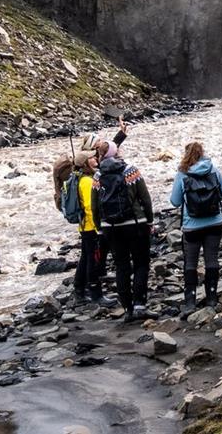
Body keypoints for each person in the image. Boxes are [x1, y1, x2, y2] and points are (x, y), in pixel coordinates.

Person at [51, 119, 128, 307]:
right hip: (91, 227)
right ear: (86, 162)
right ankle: (95, 293)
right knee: (93, 260)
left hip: (85, 226)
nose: (96, 159)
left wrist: (120, 135)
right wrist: (100, 228)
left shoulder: (80, 177)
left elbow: (108, 150)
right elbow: (91, 207)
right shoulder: (86, 182)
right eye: (93, 157)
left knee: (86, 258)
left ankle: (79, 290)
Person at [96, 144, 157, 322]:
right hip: (135, 224)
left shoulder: (97, 176)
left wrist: (100, 228)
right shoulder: (131, 171)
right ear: (117, 153)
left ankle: (127, 309)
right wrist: (150, 220)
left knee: (121, 266)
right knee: (141, 264)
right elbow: (145, 198)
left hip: (110, 227)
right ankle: (139, 306)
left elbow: (94, 205)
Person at [169, 142, 222, 315]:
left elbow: (175, 202)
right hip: (215, 222)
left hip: (192, 226)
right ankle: (211, 298)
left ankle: (190, 301)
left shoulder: (182, 173)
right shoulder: (213, 170)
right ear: (203, 153)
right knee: (212, 259)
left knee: (190, 262)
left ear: (186, 154)